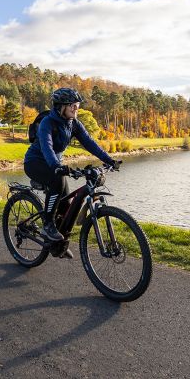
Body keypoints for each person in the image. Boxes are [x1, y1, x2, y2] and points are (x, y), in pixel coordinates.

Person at [23, 87, 119, 259]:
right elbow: (47, 147)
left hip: (54, 164)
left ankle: (58, 246)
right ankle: (47, 224)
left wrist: (108, 159)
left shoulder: (74, 123)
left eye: (77, 105)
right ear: (61, 107)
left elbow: (89, 143)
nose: (76, 109)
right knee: (57, 182)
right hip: (35, 162)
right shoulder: (47, 123)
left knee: (66, 206)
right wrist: (56, 165)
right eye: (72, 105)